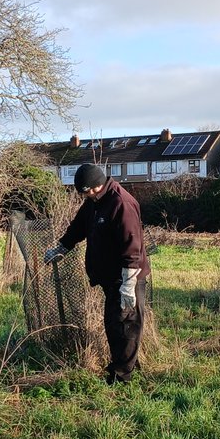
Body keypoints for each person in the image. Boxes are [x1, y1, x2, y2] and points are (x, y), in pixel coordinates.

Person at [45, 162, 151, 384]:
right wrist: (62, 247)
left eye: (87, 191)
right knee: (114, 324)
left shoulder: (121, 203)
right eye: (83, 193)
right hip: (110, 278)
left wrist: (128, 283)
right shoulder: (94, 202)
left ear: (96, 185)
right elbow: (78, 227)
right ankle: (128, 365)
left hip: (126, 276)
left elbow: (132, 245)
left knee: (125, 326)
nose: (86, 196)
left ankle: (122, 376)